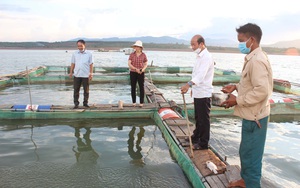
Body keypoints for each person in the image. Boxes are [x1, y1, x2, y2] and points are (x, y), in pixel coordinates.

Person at [221, 23, 273, 188]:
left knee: (252, 156)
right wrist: (236, 87)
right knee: (246, 152)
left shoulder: (257, 60)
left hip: (256, 117)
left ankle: (252, 184)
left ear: (251, 39)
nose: (239, 44)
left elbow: (262, 91)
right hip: (250, 114)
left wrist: (236, 100)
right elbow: (252, 83)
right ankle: (245, 180)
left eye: (241, 40)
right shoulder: (253, 56)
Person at [180, 35, 214, 150]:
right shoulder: (199, 56)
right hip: (198, 91)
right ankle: (196, 137)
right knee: (198, 117)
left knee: (204, 119)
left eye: (194, 44)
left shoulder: (207, 57)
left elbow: (200, 76)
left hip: (204, 92)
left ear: (201, 43)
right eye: (191, 44)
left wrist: (188, 85)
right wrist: (193, 90)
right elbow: (196, 74)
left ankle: (203, 143)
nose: (192, 47)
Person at [69, 39, 93, 109]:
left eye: (81, 46)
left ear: (84, 45)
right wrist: (71, 72)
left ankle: (85, 103)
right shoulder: (75, 53)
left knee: (86, 90)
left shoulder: (89, 54)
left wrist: (91, 73)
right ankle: (76, 104)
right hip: (77, 74)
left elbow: (91, 64)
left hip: (86, 75)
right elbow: (73, 63)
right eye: (78, 46)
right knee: (76, 90)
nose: (79, 47)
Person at [128, 40, 148, 108]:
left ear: (140, 48)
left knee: (141, 87)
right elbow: (129, 63)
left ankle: (141, 103)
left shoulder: (143, 55)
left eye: (138, 47)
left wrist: (142, 70)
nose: (136, 48)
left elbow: (146, 64)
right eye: (135, 46)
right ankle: (134, 102)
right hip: (133, 72)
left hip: (141, 72)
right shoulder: (132, 54)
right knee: (133, 87)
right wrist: (135, 69)